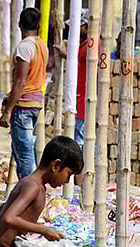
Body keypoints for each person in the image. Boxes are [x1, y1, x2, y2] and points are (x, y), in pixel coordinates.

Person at [0, 7, 48, 179]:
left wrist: (8, 111)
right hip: (35, 103)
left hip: (24, 106)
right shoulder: (42, 45)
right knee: (26, 152)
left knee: (25, 156)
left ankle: (30, 194)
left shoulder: (25, 47)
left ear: (20, 24)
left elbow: (21, 82)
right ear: (38, 26)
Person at [54, 9, 90, 149]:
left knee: (80, 142)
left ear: (87, 26)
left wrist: (69, 55)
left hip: (84, 104)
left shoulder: (92, 45)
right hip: (79, 101)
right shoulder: (83, 45)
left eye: (79, 27)